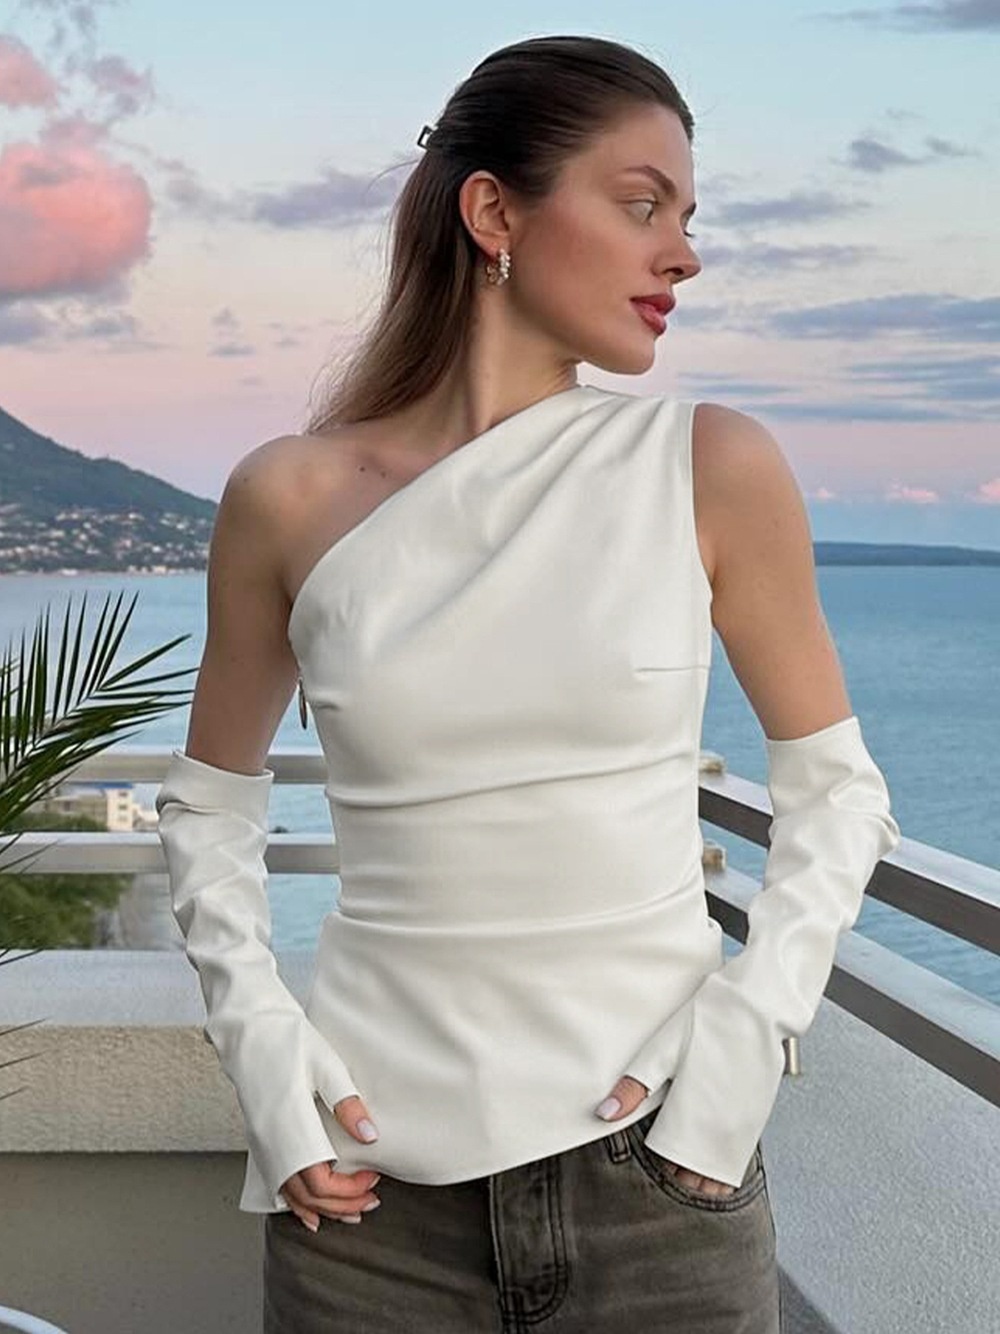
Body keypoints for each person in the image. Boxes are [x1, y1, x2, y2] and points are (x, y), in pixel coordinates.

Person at [155, 33, 901, 1334]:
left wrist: (742, 1048)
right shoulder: (289, 497)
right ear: (495, 212)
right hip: (368, 1207)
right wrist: (268, 1066)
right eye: (643, 205)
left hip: (661, 1191)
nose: (684, 255)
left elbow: (839, 796)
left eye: (689, 218)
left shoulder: (711, 466)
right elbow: (209, 807)